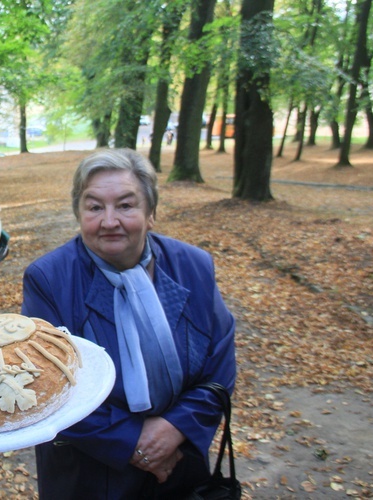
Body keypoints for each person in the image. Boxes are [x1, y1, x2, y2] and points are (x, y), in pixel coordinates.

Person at [22, 148, 236, 498]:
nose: (109, 221)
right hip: (90, 475)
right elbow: (47, 385)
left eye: (125, 205)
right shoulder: (49, 279)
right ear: (79, 213)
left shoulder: (194, 266)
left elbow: (220, 365)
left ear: (150, 213)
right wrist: (134, 443)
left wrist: (173, 429)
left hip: (181, 466)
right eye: (94, 207)